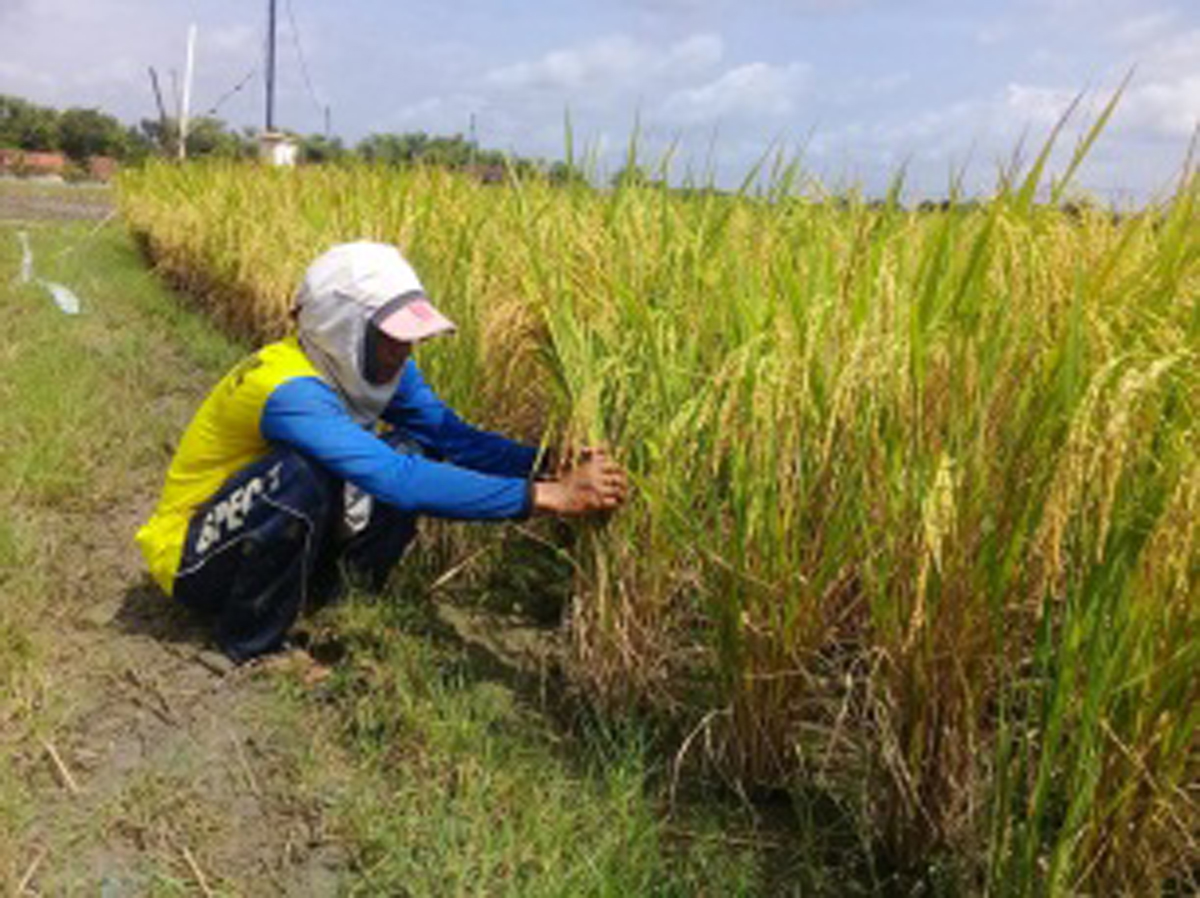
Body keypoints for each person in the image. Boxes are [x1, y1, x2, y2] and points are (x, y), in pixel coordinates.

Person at [136, 241, 628, 662]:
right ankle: (249, 643)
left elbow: (454, 439)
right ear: (341, 328)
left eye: (410, 340)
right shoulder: (285, 388)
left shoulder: (379, 369)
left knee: (416, 444)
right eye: (392, 339)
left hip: (256, 545)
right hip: (195, 560)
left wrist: (549, 462)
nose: (404, 354)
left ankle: (341, 607)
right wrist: (547, 496)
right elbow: (396, 479)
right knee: (304, 474)